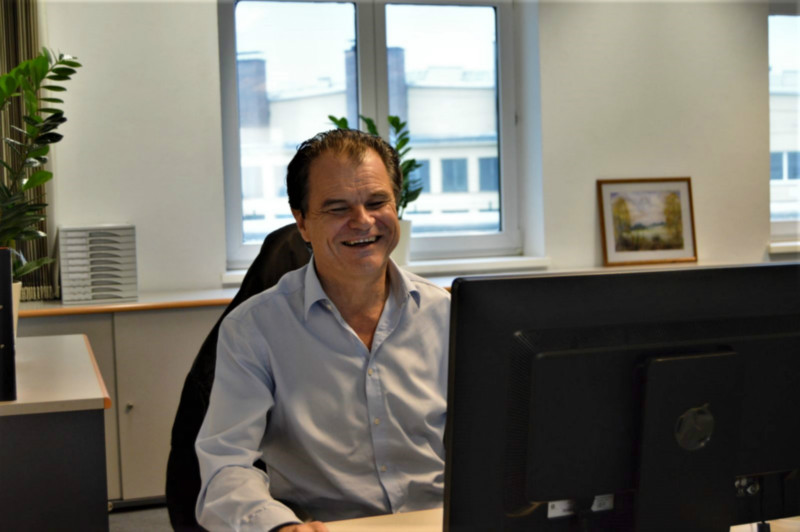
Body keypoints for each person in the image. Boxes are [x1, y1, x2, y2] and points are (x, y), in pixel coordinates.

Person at [195, 128, 451, 532]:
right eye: (337, 208)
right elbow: (227, 464)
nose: (362, 221)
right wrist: (278, 526)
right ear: (302, 223)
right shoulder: (254, 329)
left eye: (377, 202)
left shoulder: (446, 315)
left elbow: (496, 440)